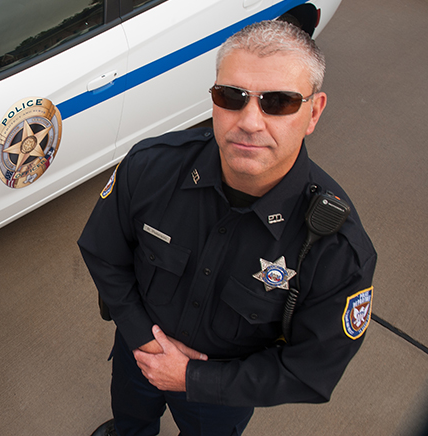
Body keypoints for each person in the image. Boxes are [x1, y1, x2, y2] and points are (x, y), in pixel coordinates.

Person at [79, 20, 376, 436]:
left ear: (315, 111)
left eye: (278, 102)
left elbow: (312, 369)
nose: (250, 121)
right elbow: (102, 251)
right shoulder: (150, 168)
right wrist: (141, 336)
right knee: (129, 419)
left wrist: (192, 378)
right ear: (213, 100)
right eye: (231, 97)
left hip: (221, 395)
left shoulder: (337, 249)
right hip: (138, 351)